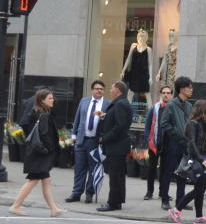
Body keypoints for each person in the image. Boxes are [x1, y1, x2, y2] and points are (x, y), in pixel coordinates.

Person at [9, 89, 67, 216]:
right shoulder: (44, 115)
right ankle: (16, 206)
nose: (53, 100)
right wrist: (51, 149)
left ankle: (53, 209)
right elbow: (45, 134)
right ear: (42, 100)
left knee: (46, 180)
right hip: (40, 153)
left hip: (36, 151)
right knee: (33, 180)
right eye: (50, 98)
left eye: (53, 98)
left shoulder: (35, 112)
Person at [170, 99, 206, 224]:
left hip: (205, 159)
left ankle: (199, 216)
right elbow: (192, 143)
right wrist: (201, 160)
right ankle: (177, 209)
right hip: (197, 159)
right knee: (199, 189)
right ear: (203, 109)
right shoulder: (193, 123)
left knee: (201, 188)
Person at [67, 80, 108, 204]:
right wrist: (74, 135)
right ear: (92, 90)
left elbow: (109, 122)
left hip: (95, 141)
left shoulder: (107, 104)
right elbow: (78, 118)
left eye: (101, 89)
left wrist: (103, 116)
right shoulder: (84, 101)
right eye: (96, 88)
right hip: (81, 139)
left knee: (93, 168)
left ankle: (89, 193)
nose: (99, 91)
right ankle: (76, 193)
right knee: (79, 168)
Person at [97, 80, 134, 212]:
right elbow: (118, 120)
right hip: (118, 146)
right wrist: (105, 116)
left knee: (115, 176)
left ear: (118, 90)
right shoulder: (121, 103)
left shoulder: (120, 104)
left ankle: (113, 203)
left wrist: (104, 138)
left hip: (117, 146)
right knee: (117, 176)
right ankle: (117, 201)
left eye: (112, 88)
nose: (110, 91)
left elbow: (120, 126)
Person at [159, 76, 193, 209]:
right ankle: (165, 200)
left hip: (186, 144)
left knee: (183, 173)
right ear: (182, 89)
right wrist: (177, 134)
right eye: (189, 87)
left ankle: (180, 201)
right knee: (169, 171)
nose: (191, 90)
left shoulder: (189, 105)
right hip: (173, 144)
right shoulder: (171, 105)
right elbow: (164, 123)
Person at [143, 84, 172, 201]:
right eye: (163, 92)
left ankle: (163, 192)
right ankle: (149, 192)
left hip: (168, 144)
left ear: (171, 95)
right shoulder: (154, 108)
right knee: (151, 168)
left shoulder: (173, 108)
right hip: (154, 143)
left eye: (168, 93)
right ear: (161, 94)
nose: (165, 95)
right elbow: (147, 125)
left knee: (165, 169)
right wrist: (148, 139)